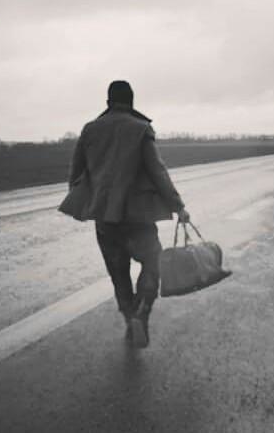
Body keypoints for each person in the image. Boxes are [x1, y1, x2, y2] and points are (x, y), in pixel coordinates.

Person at [68, 80, 190, 348]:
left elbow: (76, 174)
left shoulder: (90, 129)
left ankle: (128, 317)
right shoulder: (140, 128)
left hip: (105, 219)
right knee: (153, 262)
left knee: (118, 272)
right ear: (131, 101)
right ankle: (141, 310)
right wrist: (178, 206)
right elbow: (158, 171)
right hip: (139, 218)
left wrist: (92, 199)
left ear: (108, 101)